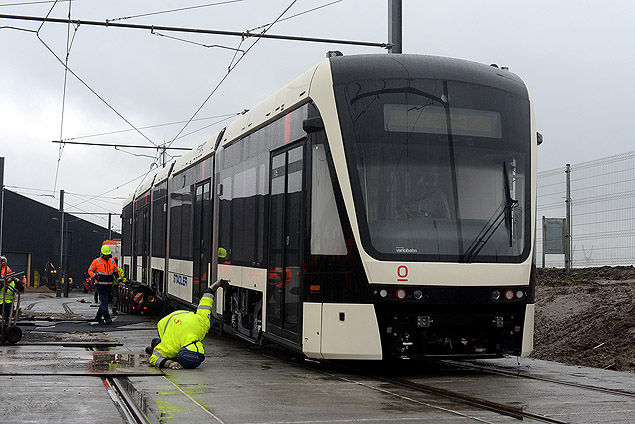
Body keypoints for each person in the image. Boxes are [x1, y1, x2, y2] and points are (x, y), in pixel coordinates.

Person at [146, 278, 229, 369]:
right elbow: (153, 358)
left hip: (180, 316)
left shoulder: (202, 326)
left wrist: (215, 286)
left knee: (166, 352)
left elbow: (205, 303)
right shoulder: (170, 347)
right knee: (165, 351)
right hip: (164, 323)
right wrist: (169, 363)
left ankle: (155, 347)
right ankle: (156, 346)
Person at [87, 245, 122, 324]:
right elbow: (90, 270)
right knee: (105, 301)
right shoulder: (96, 261)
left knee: (104, 301)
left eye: (108, 255)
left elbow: (116, 272)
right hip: (100, 285)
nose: (106, 257)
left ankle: (98, 317)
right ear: (102, 254)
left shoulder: (112, 261)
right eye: (105, 255)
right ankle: (107, 318)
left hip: (109, 285)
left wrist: (119, 280)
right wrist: (95, 276)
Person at [0, 256, 24, 322]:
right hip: (0, 303)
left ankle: (6, 319)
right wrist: (4, 283)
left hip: (8, 304)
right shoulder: (1, 282)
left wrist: (18, 282)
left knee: (9, 308)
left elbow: (21, 289)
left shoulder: (13, 282)